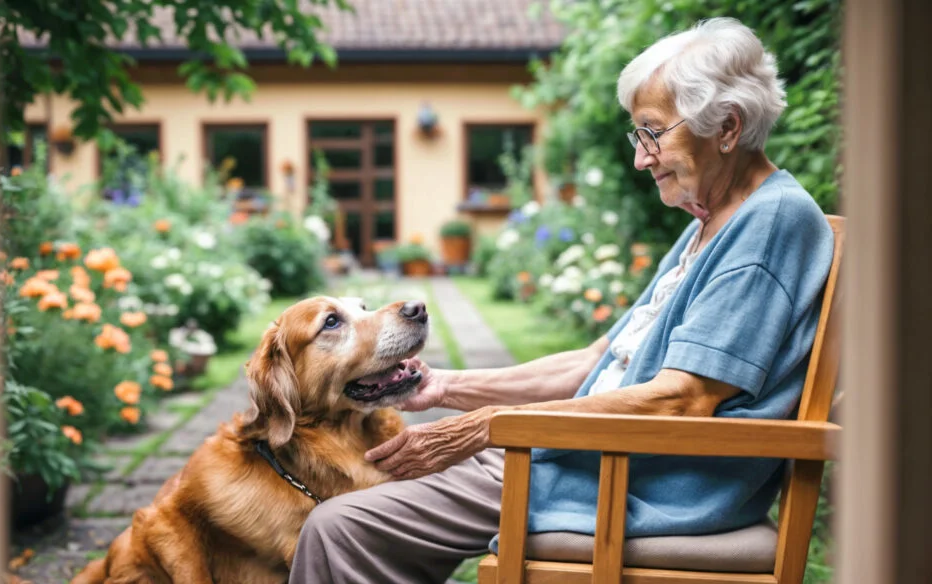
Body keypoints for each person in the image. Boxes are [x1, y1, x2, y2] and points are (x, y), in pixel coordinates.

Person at [289, 17, 834, 583]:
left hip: (625, 479)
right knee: (364, 493)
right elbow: (597, 360)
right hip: (580, 452)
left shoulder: (766, 227)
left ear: (727, 127)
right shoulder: (714, 218)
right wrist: (450, 388)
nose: (641, 159)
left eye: (652, 133)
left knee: (336, 526)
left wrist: (491, 425)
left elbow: (682, 400)